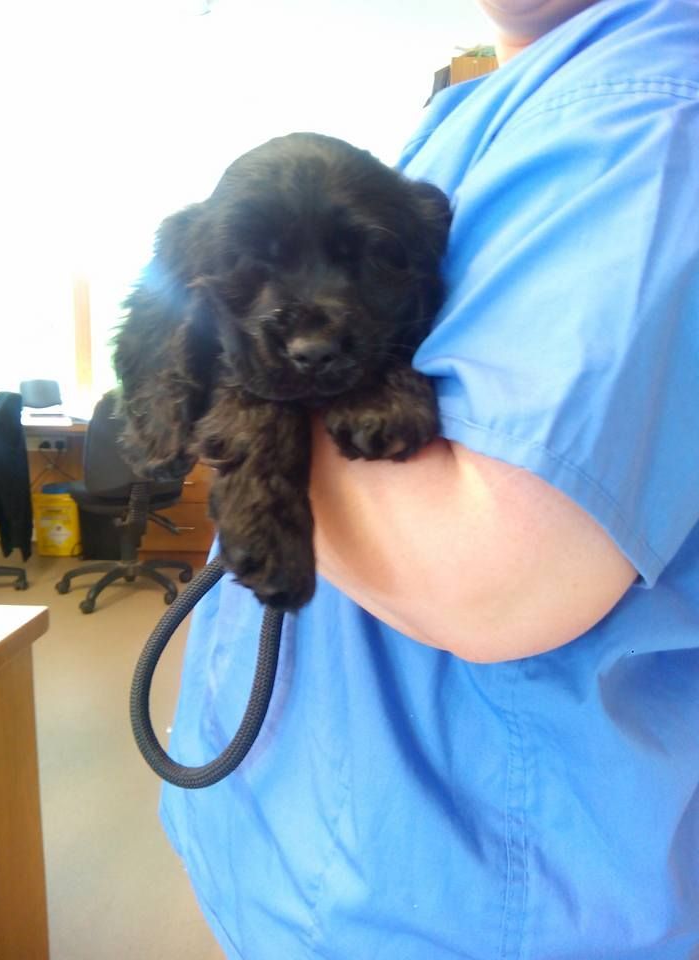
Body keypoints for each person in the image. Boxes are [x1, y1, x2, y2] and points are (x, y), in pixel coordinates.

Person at [159, 1, 699, 956]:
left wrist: (251, 395)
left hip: (457, 899)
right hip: (282, 832)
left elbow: (493, 575)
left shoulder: (652, 110)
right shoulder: (474, 110)